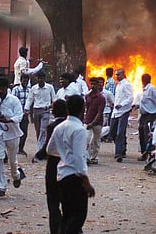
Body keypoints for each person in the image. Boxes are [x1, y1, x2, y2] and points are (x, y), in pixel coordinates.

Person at [47, 95, 95, 234]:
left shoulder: (59, 127)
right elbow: (79, 158)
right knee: (78, 217)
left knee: (67, 215)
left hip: (61, 175)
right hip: (75, 177)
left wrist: (64, 154)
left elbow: (50, 150)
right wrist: (86, 181)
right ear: (83, 110)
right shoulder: (79, 130)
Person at [34, 99, 67, 234]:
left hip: (54, 164)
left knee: (53, 201)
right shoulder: (72, 125)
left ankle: (55, 228)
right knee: (67, 199)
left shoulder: (53, 126)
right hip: (68, 164)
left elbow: (47, 148)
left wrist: (37, 156)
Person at [24, 71, 56, 151]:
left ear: (44, 79)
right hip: (36, 110)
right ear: (36, 78)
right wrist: (26, 109)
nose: (40, 80)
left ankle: (40, 148)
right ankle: (41, 145)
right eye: (38, 78)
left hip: (46, 110)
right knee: (38, 130)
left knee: (43, 129)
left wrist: (53, 106)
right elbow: (30, 99)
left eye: (41, 78)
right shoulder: (33, 88)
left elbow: (54, 98)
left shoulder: (49, 87)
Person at [135, 73, 156, 161]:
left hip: (150, 115)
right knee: (141, 132)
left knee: (147, 134)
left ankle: (148, 153)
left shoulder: (151, 89)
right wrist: (136, 105)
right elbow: (143, 101)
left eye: (144, 79)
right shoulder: (144, 89)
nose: (143, 81)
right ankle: (143, 152)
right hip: (143, 115)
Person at [109, 68, 133, 162]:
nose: (117, 76)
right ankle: (122, 148)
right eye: (116, 74)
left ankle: (118, 153)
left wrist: (122, 104)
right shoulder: (118, 85)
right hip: (115, 112)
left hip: (123, 111)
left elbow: (130, 97)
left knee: (120, 132)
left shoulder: (126, 84)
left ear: (123, 74)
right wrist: (114, 103)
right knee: (112, 132)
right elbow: (118, 97)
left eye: (118, 74)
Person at [84, 77, 106, 165]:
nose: (92, 86)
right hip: (88, 121)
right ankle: (87, 157)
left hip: (97, 123)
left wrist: (93, 123)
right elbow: (86, 109)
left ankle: (94, 157)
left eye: (94, 84)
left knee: (96, 141)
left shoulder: (101, 98)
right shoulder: (87, 96)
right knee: (87, 140)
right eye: (91, 84)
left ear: (98, 85)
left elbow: (100, 112)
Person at [12, 73, 30, 155]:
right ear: (21, 80)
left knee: (24, 132)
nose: (25, 82)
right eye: (24, 81)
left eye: (27, 81)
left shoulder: (29, 90)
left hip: (25, 114)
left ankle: (21, 148)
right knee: (16, 132)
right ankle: (15, 147)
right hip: (17, 114)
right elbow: (13, 102)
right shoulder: (16, 89)